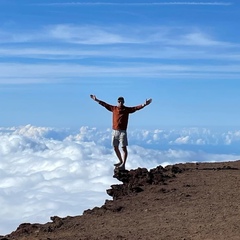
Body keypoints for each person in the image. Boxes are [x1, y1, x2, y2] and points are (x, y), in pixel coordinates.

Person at [90, 94, 152, 170]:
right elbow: (105, 104)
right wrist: (96, 100)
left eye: (121, 101)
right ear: (117, 102)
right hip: (114, 131)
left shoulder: (126, 110)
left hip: (122, 132)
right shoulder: (113, 108)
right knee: (115, 147)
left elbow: (136, 108)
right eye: (119, 101)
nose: (120, 102)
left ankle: (123, 164)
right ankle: (120, 161)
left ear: (123, 102)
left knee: (123, 148)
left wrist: (144, 104)